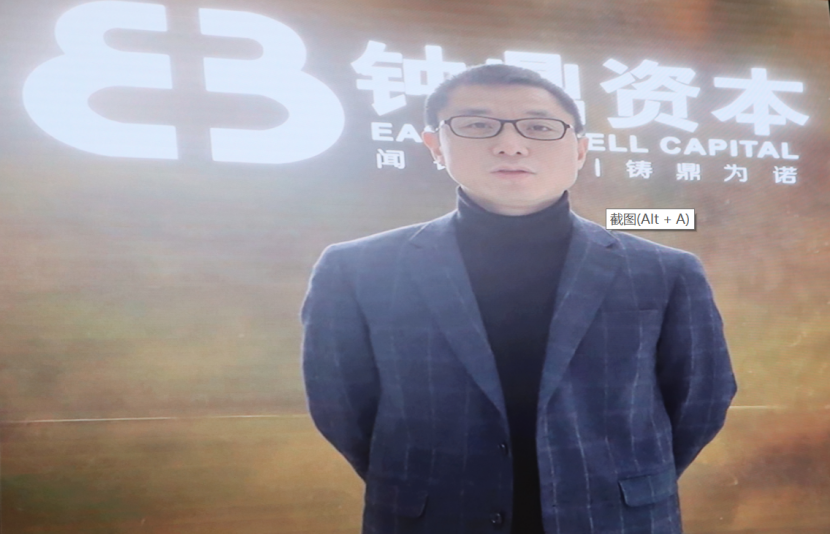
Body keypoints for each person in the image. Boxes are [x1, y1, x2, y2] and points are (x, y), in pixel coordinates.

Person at [301, 64, 737, 534]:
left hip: (615, 519)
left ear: (580, 150)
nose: (510, 144)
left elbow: (701, 400)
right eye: (477, 125)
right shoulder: (357, 270)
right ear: (435, 146)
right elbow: (341, 405)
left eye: (540, 127)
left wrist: (621, 481)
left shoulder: (665, 272)